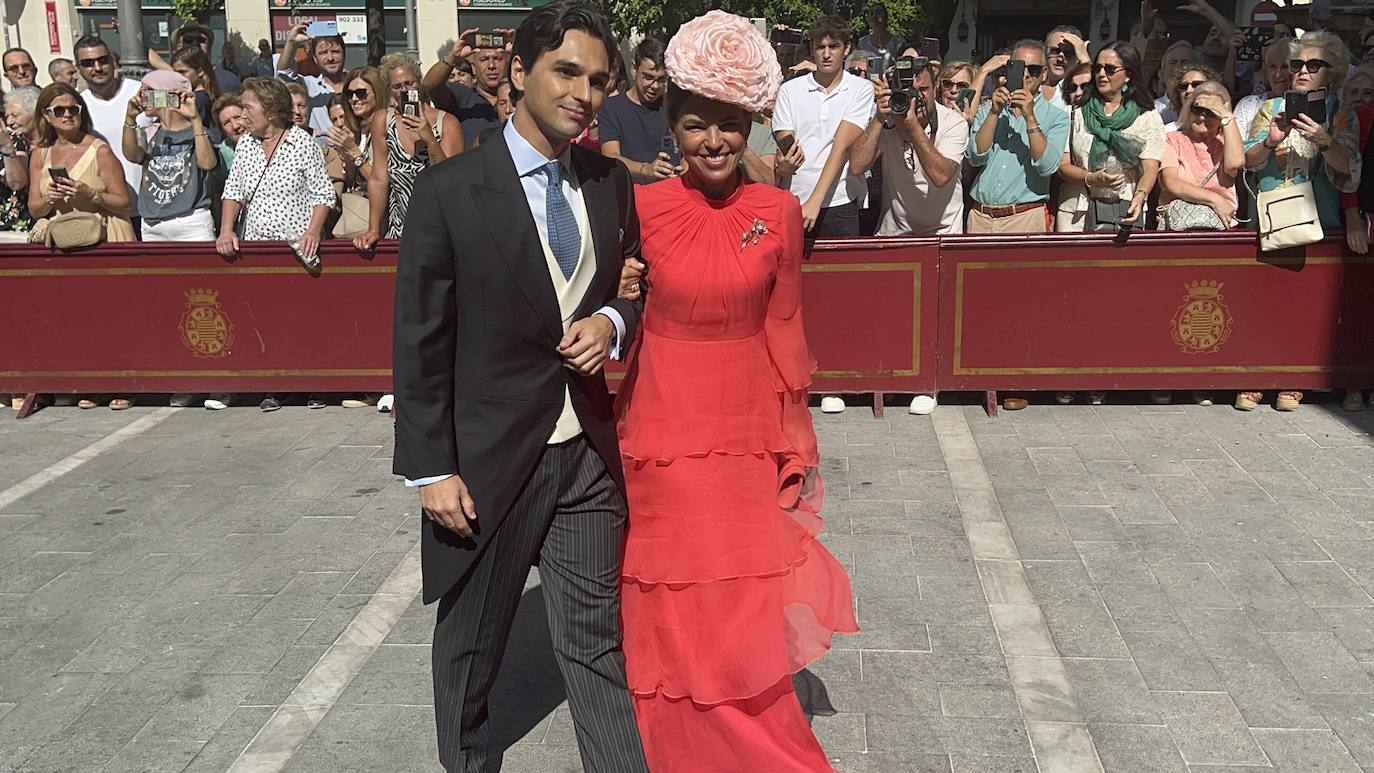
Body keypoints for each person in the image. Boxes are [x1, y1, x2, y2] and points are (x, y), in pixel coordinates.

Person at [392, 2, 650, 771]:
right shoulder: (449, 189)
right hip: (490, 461)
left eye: (599, 80)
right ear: (519, 72)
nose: (585, 92)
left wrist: (611, 318)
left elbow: (633, 281)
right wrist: (431, 468)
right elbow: (419, 340)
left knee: (597, 646)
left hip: (586, 459)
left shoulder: (608, 181)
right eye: (567, 71)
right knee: (472, 648)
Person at [616, 11, 857, 769]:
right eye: (695, 126)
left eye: (728, 125)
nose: (714, 141)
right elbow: (611, 318)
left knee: (740, 588)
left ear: (751, 124)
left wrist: (798, 437)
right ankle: (675, 733)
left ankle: (748, 725)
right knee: (674, 584)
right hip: (659, 425)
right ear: (673, 130)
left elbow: (785, 328)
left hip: (747, 424)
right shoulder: (639, 210)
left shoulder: (780, 213)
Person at [1239, 30, 1360, 414]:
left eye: (1313, 65)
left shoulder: (1342, 112)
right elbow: (1248, 161)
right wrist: (1271, 141)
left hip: (1319, 220)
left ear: (1334, 72)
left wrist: (1324, 140)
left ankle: (1295, 379)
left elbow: (1351, 169)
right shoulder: (1270, 108)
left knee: (1306, 304)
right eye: (1296, 65)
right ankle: (1259, 375)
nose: (1302, 72)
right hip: (1272, 217)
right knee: (1265, 302)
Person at [28, 83, 136, 414]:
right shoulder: (40, 154)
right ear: (45, 115)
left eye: (72, 109)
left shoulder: (100, 150)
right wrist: (51, 198)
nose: (66, 115)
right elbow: (33, 208)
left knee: (115, 315)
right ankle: (93, 383)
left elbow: (124, 203)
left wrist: (89, 193)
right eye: (58, 110)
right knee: (80, 317)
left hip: (106, 235)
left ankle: (125, 383)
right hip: (66, 238)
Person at [217, 77, 334, 307]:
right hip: (255, 251)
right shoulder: (245, 144)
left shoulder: (302, 143)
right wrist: (226, 230)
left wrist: (312, 232)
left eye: (248, 108)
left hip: (295, 253)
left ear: (270, 112)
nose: (243, 115)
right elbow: (233, 191)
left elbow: (323, 194)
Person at [773, 15, 874, 238]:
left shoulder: (861, 89)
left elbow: (843, 146)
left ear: (846, 49)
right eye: (820, 47)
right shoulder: (790, 90)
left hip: (840, 202)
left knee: (842, 273)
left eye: (833, 47)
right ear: (812, 48)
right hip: (795, 200)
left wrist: (816, 200)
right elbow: (786, 144)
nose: (826, 54)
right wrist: (784, 165)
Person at [850, 53, 967, 236]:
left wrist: (912, 128)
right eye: (908, 91)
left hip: (942, 232)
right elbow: (857, 165)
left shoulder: (953, 122)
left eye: (923, 89)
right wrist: (879, 118)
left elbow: (941, 176)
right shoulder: (889, 120)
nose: (915, 97)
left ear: (935, 88)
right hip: (894, 232)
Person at [1058, 42, 1164, 233]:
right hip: (1077, 210)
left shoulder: (1147, 116)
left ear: (1128, 75)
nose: (1101, 74)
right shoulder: (1075, 113)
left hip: (1126, 206)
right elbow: (1063, 166)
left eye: (1110, 69)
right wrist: (1091, 178)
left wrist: (1140, 197)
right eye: (1097, 68)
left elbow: (1150, 168)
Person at [967, 39, 1071, 234]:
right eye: (1019, 67)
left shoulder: (1057, 117)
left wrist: (1030, 118)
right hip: (981, 216)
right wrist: (993, 114)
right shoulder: (989, 109)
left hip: (1025, 216)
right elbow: (975, 157)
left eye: (1033, 69)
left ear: (1044, 74)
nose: (1025, 74)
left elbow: (1047, 166)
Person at [122, 69, 217, 242]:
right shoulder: (148, 131)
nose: (141, 97)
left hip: (191, 221)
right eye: (140, 92)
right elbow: (133, 156)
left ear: (168, 93)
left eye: (147, 91)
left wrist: (195, 119)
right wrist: (129, 119)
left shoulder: (198, 131)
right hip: (152, 224)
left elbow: (208, 164)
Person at [374, 54, 463, 240]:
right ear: (389, 91)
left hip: (441, 229)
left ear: (419, 84)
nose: (404, 90)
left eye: (409, 83)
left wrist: (430, 139)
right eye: (397, 87)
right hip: (400, 230)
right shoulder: (383, 120)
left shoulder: (446, 122)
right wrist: (373, 228)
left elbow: (450, 180)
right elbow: (379, 178)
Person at [74, 36, 142, 222]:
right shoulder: (77, 107)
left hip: (151, 209)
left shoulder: (141, 92)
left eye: (103, 60)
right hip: (108, 211)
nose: (97, 68)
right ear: (78, 68)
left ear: (113, 61)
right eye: (88, 63)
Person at [597, 37, 671, 183]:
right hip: (629, 193)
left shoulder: (672, 107)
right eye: (648, 77)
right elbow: (610, 156)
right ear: (634, 69)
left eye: (661, 80)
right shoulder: (611, 108)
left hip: (668, 192)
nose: (655, 86)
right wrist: (646, 169)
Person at [423, 28, 508, 146]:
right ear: (473, 67)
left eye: (497, 59)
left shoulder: (520, 95)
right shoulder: (462, 96)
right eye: (484, 59)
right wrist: (453, 56)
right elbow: (429, 85)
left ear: (508, 63)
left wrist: (520, 51)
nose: (491, 66)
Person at [276, 22, 347, 133]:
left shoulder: (355, 85)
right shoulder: (308, 86)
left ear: (344, 54)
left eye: (335, 52)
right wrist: (291, 43)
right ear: (314, 58)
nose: (330, 58)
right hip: (320, 148)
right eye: (323, 53)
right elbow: (284, 73)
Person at [1, 87, 39, 241]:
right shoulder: (16, 138)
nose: (9, 121)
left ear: (34, 113)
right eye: (7, 116)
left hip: (20, 230)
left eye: (15, 115)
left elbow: (17, 182)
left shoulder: (15, 140)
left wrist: (6, 147)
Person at [1236, 40, 1292, 138]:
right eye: (1272, 67)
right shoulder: (1248, 104)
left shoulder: (1307, 105)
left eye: (1285, 67)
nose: (1278, 74)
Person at [170, 45, 222, 139]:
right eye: (175, 73)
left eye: (182, 72)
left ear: (200, 71)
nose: (177, 77)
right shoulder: (202, 96)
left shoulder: (199, 99)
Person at [1163, 63, 1222, 131]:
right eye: (1183, 86)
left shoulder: (1225, 127)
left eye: (1196, 84)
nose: (1189, 90)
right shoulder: (1167, 131)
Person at [1043, 26, 1089, 111]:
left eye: (1069, 53)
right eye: (1055, 51)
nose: (1060, 58)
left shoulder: (1081, 90)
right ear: (1046, 53)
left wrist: (1085, 59)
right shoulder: (1032, 82)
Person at [1155, 40, 1195, 126]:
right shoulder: (1151, 110)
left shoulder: (1205, 108)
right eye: (1172, 63)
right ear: (1161, 75)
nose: (1178, 67)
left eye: (1184, 62)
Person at [857, 3, 906, 73]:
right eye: (871, 13)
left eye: (879, 13)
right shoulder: (862, 43)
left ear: (886, 18)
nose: (874, 16)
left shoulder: (898, 42)